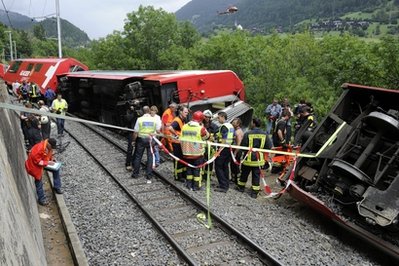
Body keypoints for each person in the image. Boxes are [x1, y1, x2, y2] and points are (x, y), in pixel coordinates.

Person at [236, 118, 272, 199]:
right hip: (259, 160)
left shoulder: (248, 133)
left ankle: (241, 188)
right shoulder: (265, 134)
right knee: (256, 176)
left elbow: (243, 147)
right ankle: (254, 193)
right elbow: (269, 146)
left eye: (252, 122)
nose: (251, 124)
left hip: (248, 159)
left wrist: (240, 156)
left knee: (244, 174)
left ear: (254, 124)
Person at [25, 138, 62, 206]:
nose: (52, 149)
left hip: (43, 163)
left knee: (56, 170)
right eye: (52, 147)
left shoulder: (48, 147)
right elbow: (38, 161)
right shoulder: (39, 149)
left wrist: (52, 160)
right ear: (48, 144)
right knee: (38, 181)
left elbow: (48, 155)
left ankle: (57, 187)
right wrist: (48, 163)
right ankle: (41, 199)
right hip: (34, 166)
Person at [180, 111, 209, 191]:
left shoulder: (184, 126)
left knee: (189, 168)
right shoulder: (200, 128)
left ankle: (189, 185)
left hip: (186, 152)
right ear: (201, 120)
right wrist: (203, 127)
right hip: (197, 153)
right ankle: (196, 186)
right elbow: (206, 137)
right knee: (197, 169)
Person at [131, 106, 161, 183]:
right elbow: (158, 131)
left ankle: (135, 174)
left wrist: (133, 141)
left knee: (138, 157)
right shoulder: (154, 119)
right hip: (151, 140)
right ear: (149, 111)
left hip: (141, 140)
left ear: (143, 111)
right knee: (150, 157)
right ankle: (149, 175)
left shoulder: (139, 119)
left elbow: (135, 132)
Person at [214, 111, 235, 193]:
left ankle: (223, 186)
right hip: (229, 148)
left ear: (223, 117)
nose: (218, 119)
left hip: (223, 149)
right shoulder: (230, 126)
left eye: (218, 117)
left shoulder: (224, 126)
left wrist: (219, 150)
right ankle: (226, 184)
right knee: (225, 166)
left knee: (218, 166)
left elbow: (224, 139)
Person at [168, 106, 189, 182]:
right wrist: (176, 135)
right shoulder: (177, 120)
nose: (187, 113)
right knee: (177, 159)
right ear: (180, 112)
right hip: (176, 143)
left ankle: (182, 174)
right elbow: (170, 128)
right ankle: (177, 176)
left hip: (181, 143)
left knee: (182, 159)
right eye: (185, 112)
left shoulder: (183, 119)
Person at [125, 100, 142, 171]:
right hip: (131, 132)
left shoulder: (140, 111)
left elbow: (141, 116)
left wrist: (136, 111)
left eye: (136, 105)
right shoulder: (129, 112)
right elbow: (128, 119)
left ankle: (134, 162)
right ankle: (128, 163)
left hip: (139, 131)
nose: (134, 107)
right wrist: (133, 112)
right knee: (130, 149)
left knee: (138, 149)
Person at [201, 109, 218, 180]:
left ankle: (207, 176)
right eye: (206, 117)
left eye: (208, 117)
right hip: (201, 147)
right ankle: (200, 175)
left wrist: (213, 138)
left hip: (210, 148)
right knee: (201, 161)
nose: (207, 118)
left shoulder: (214, 126)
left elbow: (217, 136)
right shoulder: (200, 125)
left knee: (210, 162)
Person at [230, 117, 244, 184]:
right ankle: (233, 179)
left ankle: (237, 180)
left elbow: (239, 143)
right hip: (235, 150)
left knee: (235, 166)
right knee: (233, 165)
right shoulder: (236, 130)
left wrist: (235, 152)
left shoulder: (238, 132)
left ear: (238, 124)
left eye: (234, 122)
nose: (232, 123)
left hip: (237, 151)